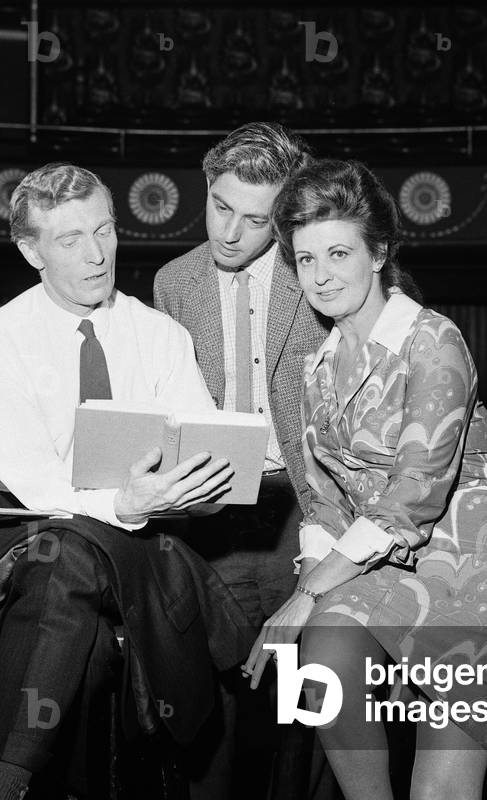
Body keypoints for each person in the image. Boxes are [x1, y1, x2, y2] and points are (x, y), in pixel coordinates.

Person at [0, 163, 251, 800]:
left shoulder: (160, 335)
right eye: (71, 240)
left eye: (104, 230)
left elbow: (201, 464)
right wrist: (124, 503)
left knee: (72, 557)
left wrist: (197, 486)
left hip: (141, 546)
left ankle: (5, 779)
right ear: (31, 252)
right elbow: (33, 481)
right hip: (25, 536)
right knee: (66, 552)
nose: (98, 253)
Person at [245, 159, 487, 800]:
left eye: (337, 253)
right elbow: (324, 507)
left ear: (377, 253)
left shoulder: (433, 339)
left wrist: (302, 597)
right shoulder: (314, 369)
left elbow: (414, 493)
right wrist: (312, 585)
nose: (320, 275)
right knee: (323, 655)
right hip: (379, 567)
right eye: (303, 259)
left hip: (475, 561)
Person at [153, 122, 331, 799]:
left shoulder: (319, 271)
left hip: (309, 507)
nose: (228, 231)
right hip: (211, 510)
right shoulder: (173, 283)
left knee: (308, 696)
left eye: (254, 219)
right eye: (219, 206)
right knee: (209, 694)